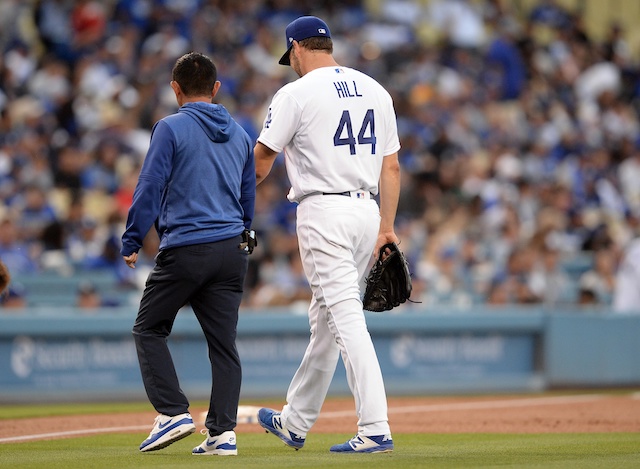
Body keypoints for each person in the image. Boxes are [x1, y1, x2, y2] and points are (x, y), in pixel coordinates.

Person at [253, 16, 401, 454]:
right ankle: (295, 421)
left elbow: (262, 163)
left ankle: (375, 427)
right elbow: (390, 167)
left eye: (290, 56)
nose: (291, 64)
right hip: (367, 211)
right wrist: (387, 228)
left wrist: (230, 197)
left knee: (345, 319)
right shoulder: (376, 89)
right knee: (326, 319)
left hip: (324, 210)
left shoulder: (295, 93)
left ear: (297, 47)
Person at [121, 52, 256, 455]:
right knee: (224, 345)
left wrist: (131, 240)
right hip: (233, 249)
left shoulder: (170, 127)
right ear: (216, 89)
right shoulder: (241, 133)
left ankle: (172, 412)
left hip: (187, 245)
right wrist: (244, 239)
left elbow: (149, 185)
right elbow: (248, 197)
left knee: (149, 328)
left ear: (175, 89)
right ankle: (222, 434)